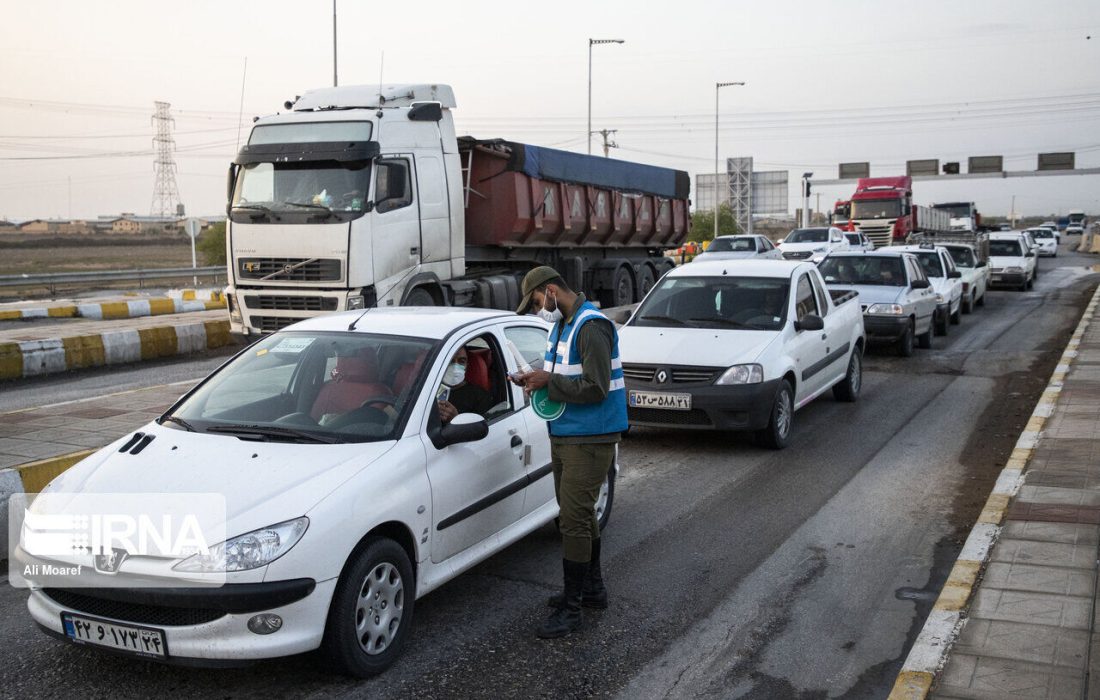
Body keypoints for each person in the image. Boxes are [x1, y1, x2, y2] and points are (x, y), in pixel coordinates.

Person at [513, 266, 628, 639]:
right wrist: (532, 378)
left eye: (535, 301)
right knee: (576, 514)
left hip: (590, 437)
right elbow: (561, 373)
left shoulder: (591, 326)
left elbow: (596, 387)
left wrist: (550, 382)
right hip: (566, 432)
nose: (536, 308)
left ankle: (572, 609)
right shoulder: (564, 324)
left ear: (550, 291)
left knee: (574, 520)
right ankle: (591, 590)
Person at [437, 345, 493, 423]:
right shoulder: (427, 388)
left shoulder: (479, 396)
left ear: (467, 365)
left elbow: (480, 429)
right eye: (450, 361)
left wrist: (456, 419)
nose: (455, 367)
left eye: (462, 361)